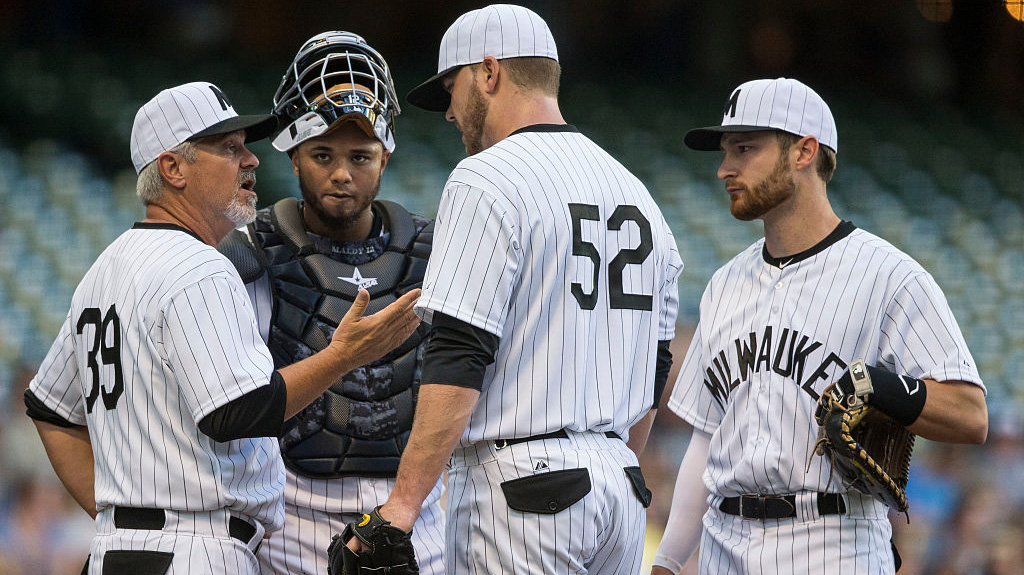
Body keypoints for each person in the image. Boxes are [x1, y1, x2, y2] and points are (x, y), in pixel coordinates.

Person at [23, 81, 421, 575]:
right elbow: (238, 411)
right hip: (197, 549)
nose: (250, 161)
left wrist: (117, 521)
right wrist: (343, 355)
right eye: (228, 149)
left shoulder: (104, 268)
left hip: (121, 551)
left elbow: (50, 410)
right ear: (172, 168)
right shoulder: (198, 266)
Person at [346, 5, 684, 575]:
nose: (450, 112)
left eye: (451, 88)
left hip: (524, 492)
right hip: (621, 491)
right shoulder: (637, 193)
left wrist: (400, 509)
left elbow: (460, 353)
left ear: (488, 72)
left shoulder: (487, 175)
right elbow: (654, 370)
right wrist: (609, 462)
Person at [650, 77, 988, 575]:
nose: (725, 168)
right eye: (725, 151)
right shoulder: (724, 284)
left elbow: (971, 413)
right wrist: (668, 563)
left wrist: (887, 389)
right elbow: (706, 439)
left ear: (804, 151)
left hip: (832, 541)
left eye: (745, 148)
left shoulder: (888, 276)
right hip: (725, 543)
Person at [216, 32, 444, 575]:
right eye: (322, 154)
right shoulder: (250, 251)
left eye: (360, 156)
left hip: (413, 508)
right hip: (292, 512)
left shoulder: (435, 250)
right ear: (294, 158)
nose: (342, 173)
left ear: (385, 158)